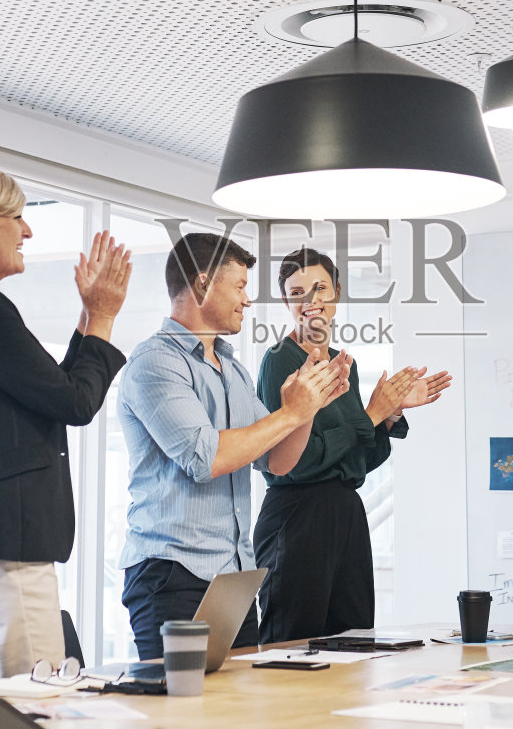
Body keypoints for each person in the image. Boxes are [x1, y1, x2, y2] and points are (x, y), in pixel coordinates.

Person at [0, 167, 131, 685]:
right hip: (4, 542)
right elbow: (75, 402)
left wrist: (88, 316)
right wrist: (103, 316)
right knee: (40, 707)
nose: (28, 231)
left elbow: (48, 390)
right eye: (17, 217)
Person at [117, 233, 351, 661]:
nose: (248, 300)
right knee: (181, 716)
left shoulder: (233, 371)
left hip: (233, 580)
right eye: (240, 286)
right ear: (204, 285)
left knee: (238, 716)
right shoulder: (155, 362)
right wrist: (290, 413)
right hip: (173, 574)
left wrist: (307, 408)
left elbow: (276, 461)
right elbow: (206, 458)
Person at [253, 247, 452, 643]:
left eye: (320, 288)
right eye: (298, 293)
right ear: (285, 302)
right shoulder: (280, 361)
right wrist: (372, 414)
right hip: (297, 516)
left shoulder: (346, 364)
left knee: (355, 637)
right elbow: (297, 463)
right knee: (294, 642)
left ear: (337, 294)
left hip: (346, 512)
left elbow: (360, 458)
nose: (311, 302)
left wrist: (390, 413)